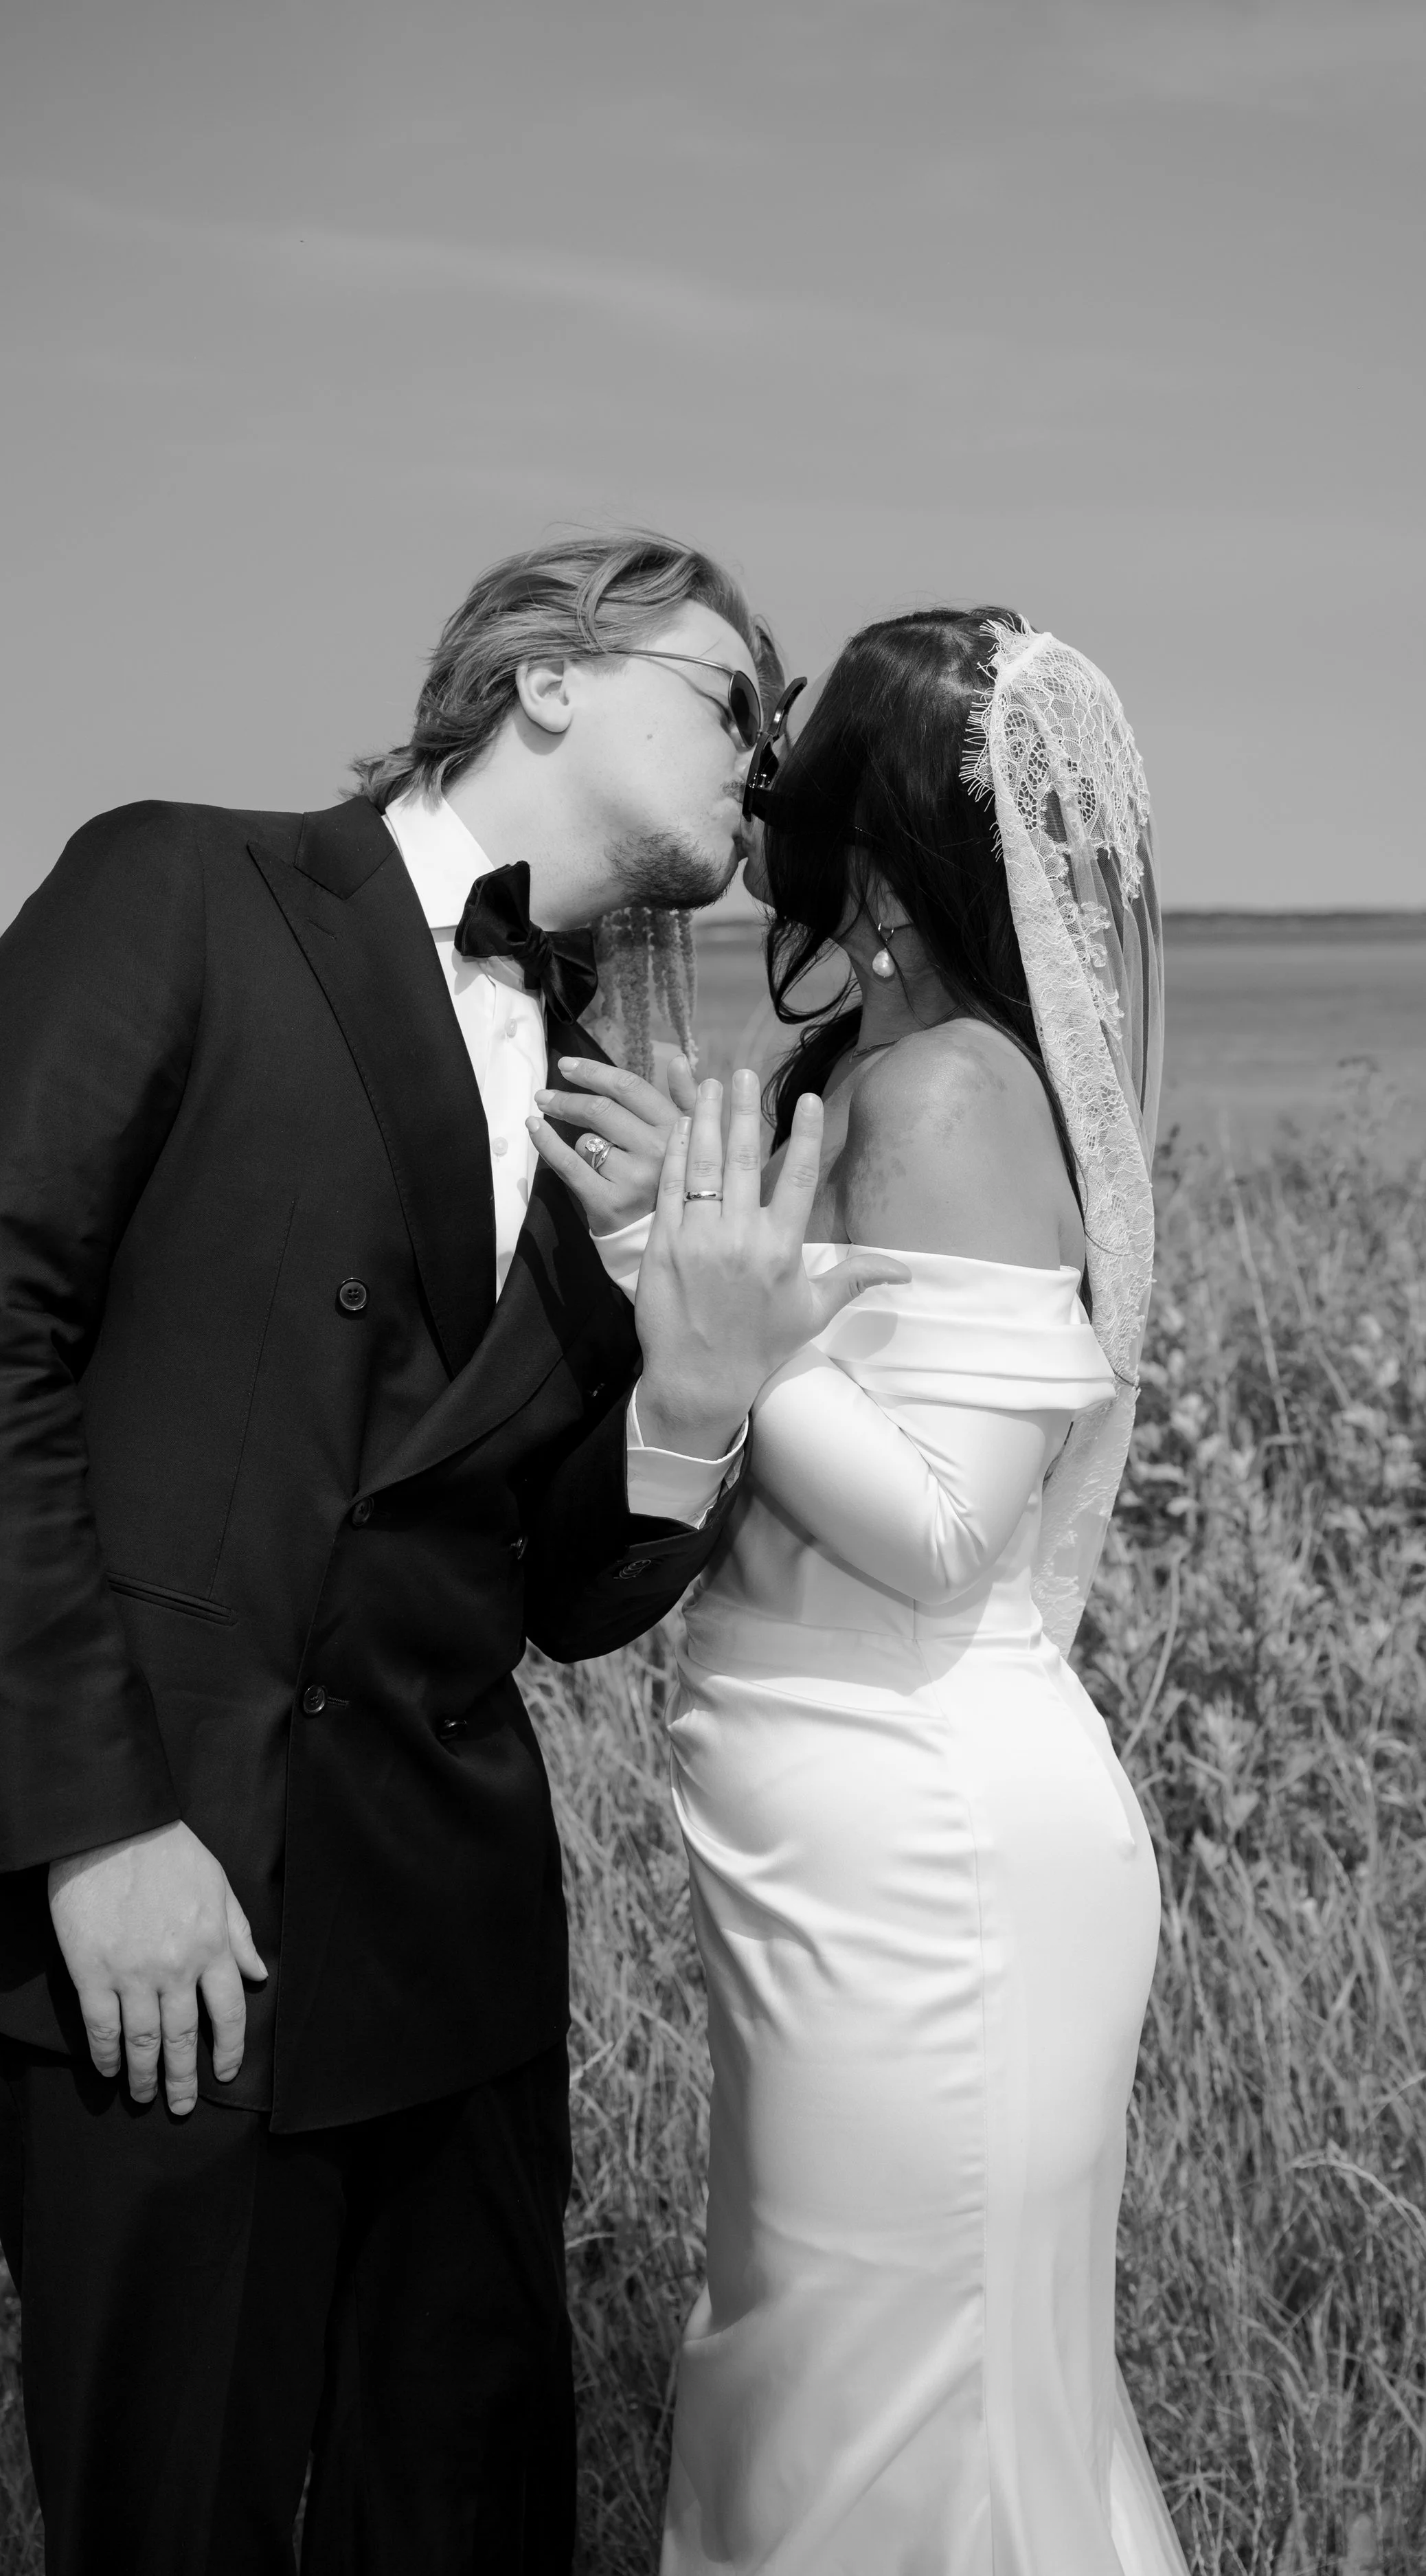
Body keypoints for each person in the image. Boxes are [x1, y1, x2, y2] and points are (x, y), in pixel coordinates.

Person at [0, 527, 899, 2576]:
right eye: (730, 696)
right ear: (549, 672)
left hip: (447, 1940)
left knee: (467, 2518)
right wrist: (89, 1829)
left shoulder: (618, 1109)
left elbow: (561, 1594)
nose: (763, 757)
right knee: (175, 2523)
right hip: (158, 1902)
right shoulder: (183, 887)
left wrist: (691, 1384)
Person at [545, 608, 1184, 2571]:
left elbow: (931, 1528)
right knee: (834, 2373)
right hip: (844, 1834)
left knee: (880, 2404)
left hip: (931, 1856)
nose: (761, 786)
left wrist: (683, 1246)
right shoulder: (880, 1064)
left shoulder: (955, 1098)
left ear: (877, 843)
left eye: (792, 756)